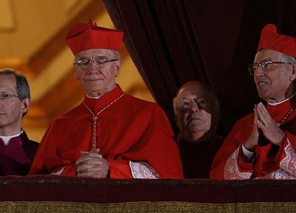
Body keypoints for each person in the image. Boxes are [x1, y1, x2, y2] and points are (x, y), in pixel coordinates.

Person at [28, 21, 183, 178]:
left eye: (101, 60)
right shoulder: (60, 125)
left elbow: (166, 176)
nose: (92, 69)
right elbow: (37, 183)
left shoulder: (149, 113)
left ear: (117, 68)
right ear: (76, 72)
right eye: (84, 62)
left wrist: (110, 169)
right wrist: (76, 171)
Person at [210, 24, 296, 179]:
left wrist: (281, 139)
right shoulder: (244, 125)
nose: (258, 73)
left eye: (267, 65)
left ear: (293, 71)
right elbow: (219, 182)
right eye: (255, 68)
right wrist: (248, 147)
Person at [173, 82, 225, 178]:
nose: (193, 108)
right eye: (185, 104)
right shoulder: (167, 150)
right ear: (176, 118)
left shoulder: (229, 147)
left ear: (216, 114)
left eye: (202, 102)